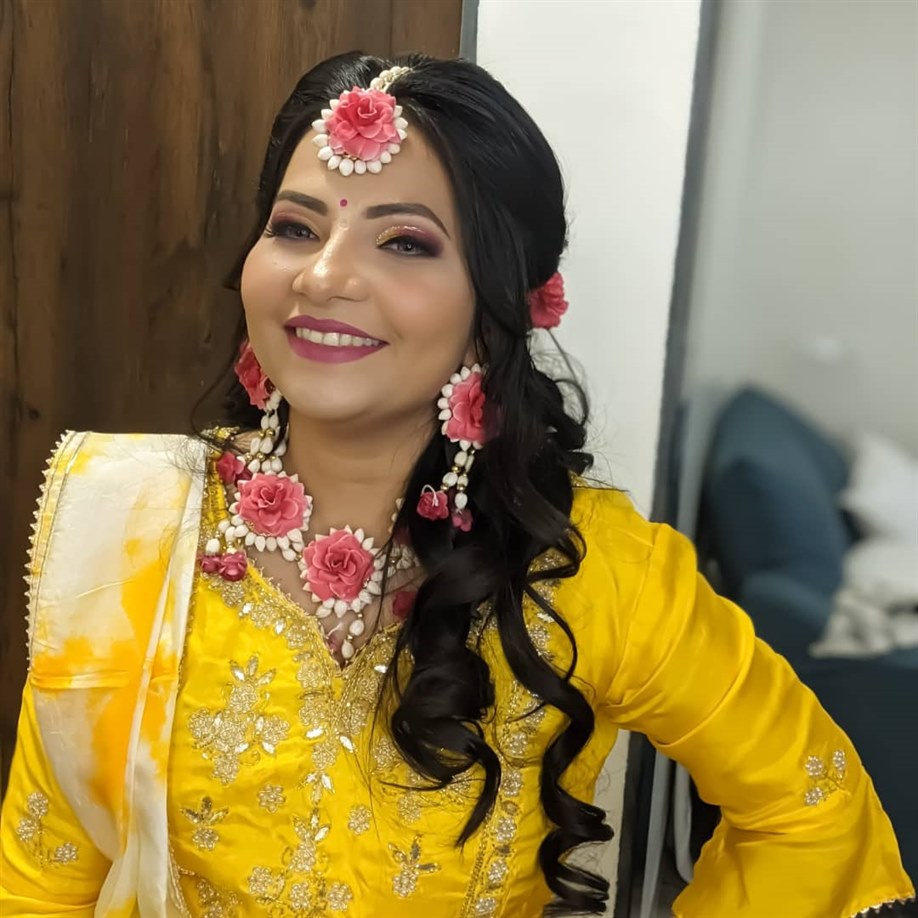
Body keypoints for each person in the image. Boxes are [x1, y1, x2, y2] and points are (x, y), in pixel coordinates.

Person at [0, 51, 912, 918]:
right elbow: (44, 877)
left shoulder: (589, 568)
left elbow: (809, 808)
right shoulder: (131, 528)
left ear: (497, 303)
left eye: (404, 241)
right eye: (295, 227)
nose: (324, 275)